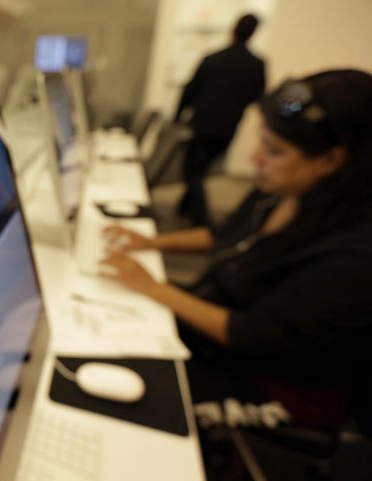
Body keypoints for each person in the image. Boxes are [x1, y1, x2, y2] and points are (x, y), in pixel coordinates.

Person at [101, 70, 372, 434]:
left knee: (126, 406)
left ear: (331, 160)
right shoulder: (279, 191)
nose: (255, 158)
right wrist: (151, 242)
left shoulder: (353, 256)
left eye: (274, 150)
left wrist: (153, 288)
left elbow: (253, 336)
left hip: (269, 387)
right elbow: (224, 236)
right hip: (214, 334)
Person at [175, 14, 266, 225]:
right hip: (228, 125)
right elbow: (257, 96)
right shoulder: (256, 64)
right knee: (201, 168)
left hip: (202, 124)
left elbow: (191, 88)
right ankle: (185, 206)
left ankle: (201, 218)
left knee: (193, 170)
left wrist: (178, 115)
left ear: (233, 30)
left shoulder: (214, 58)